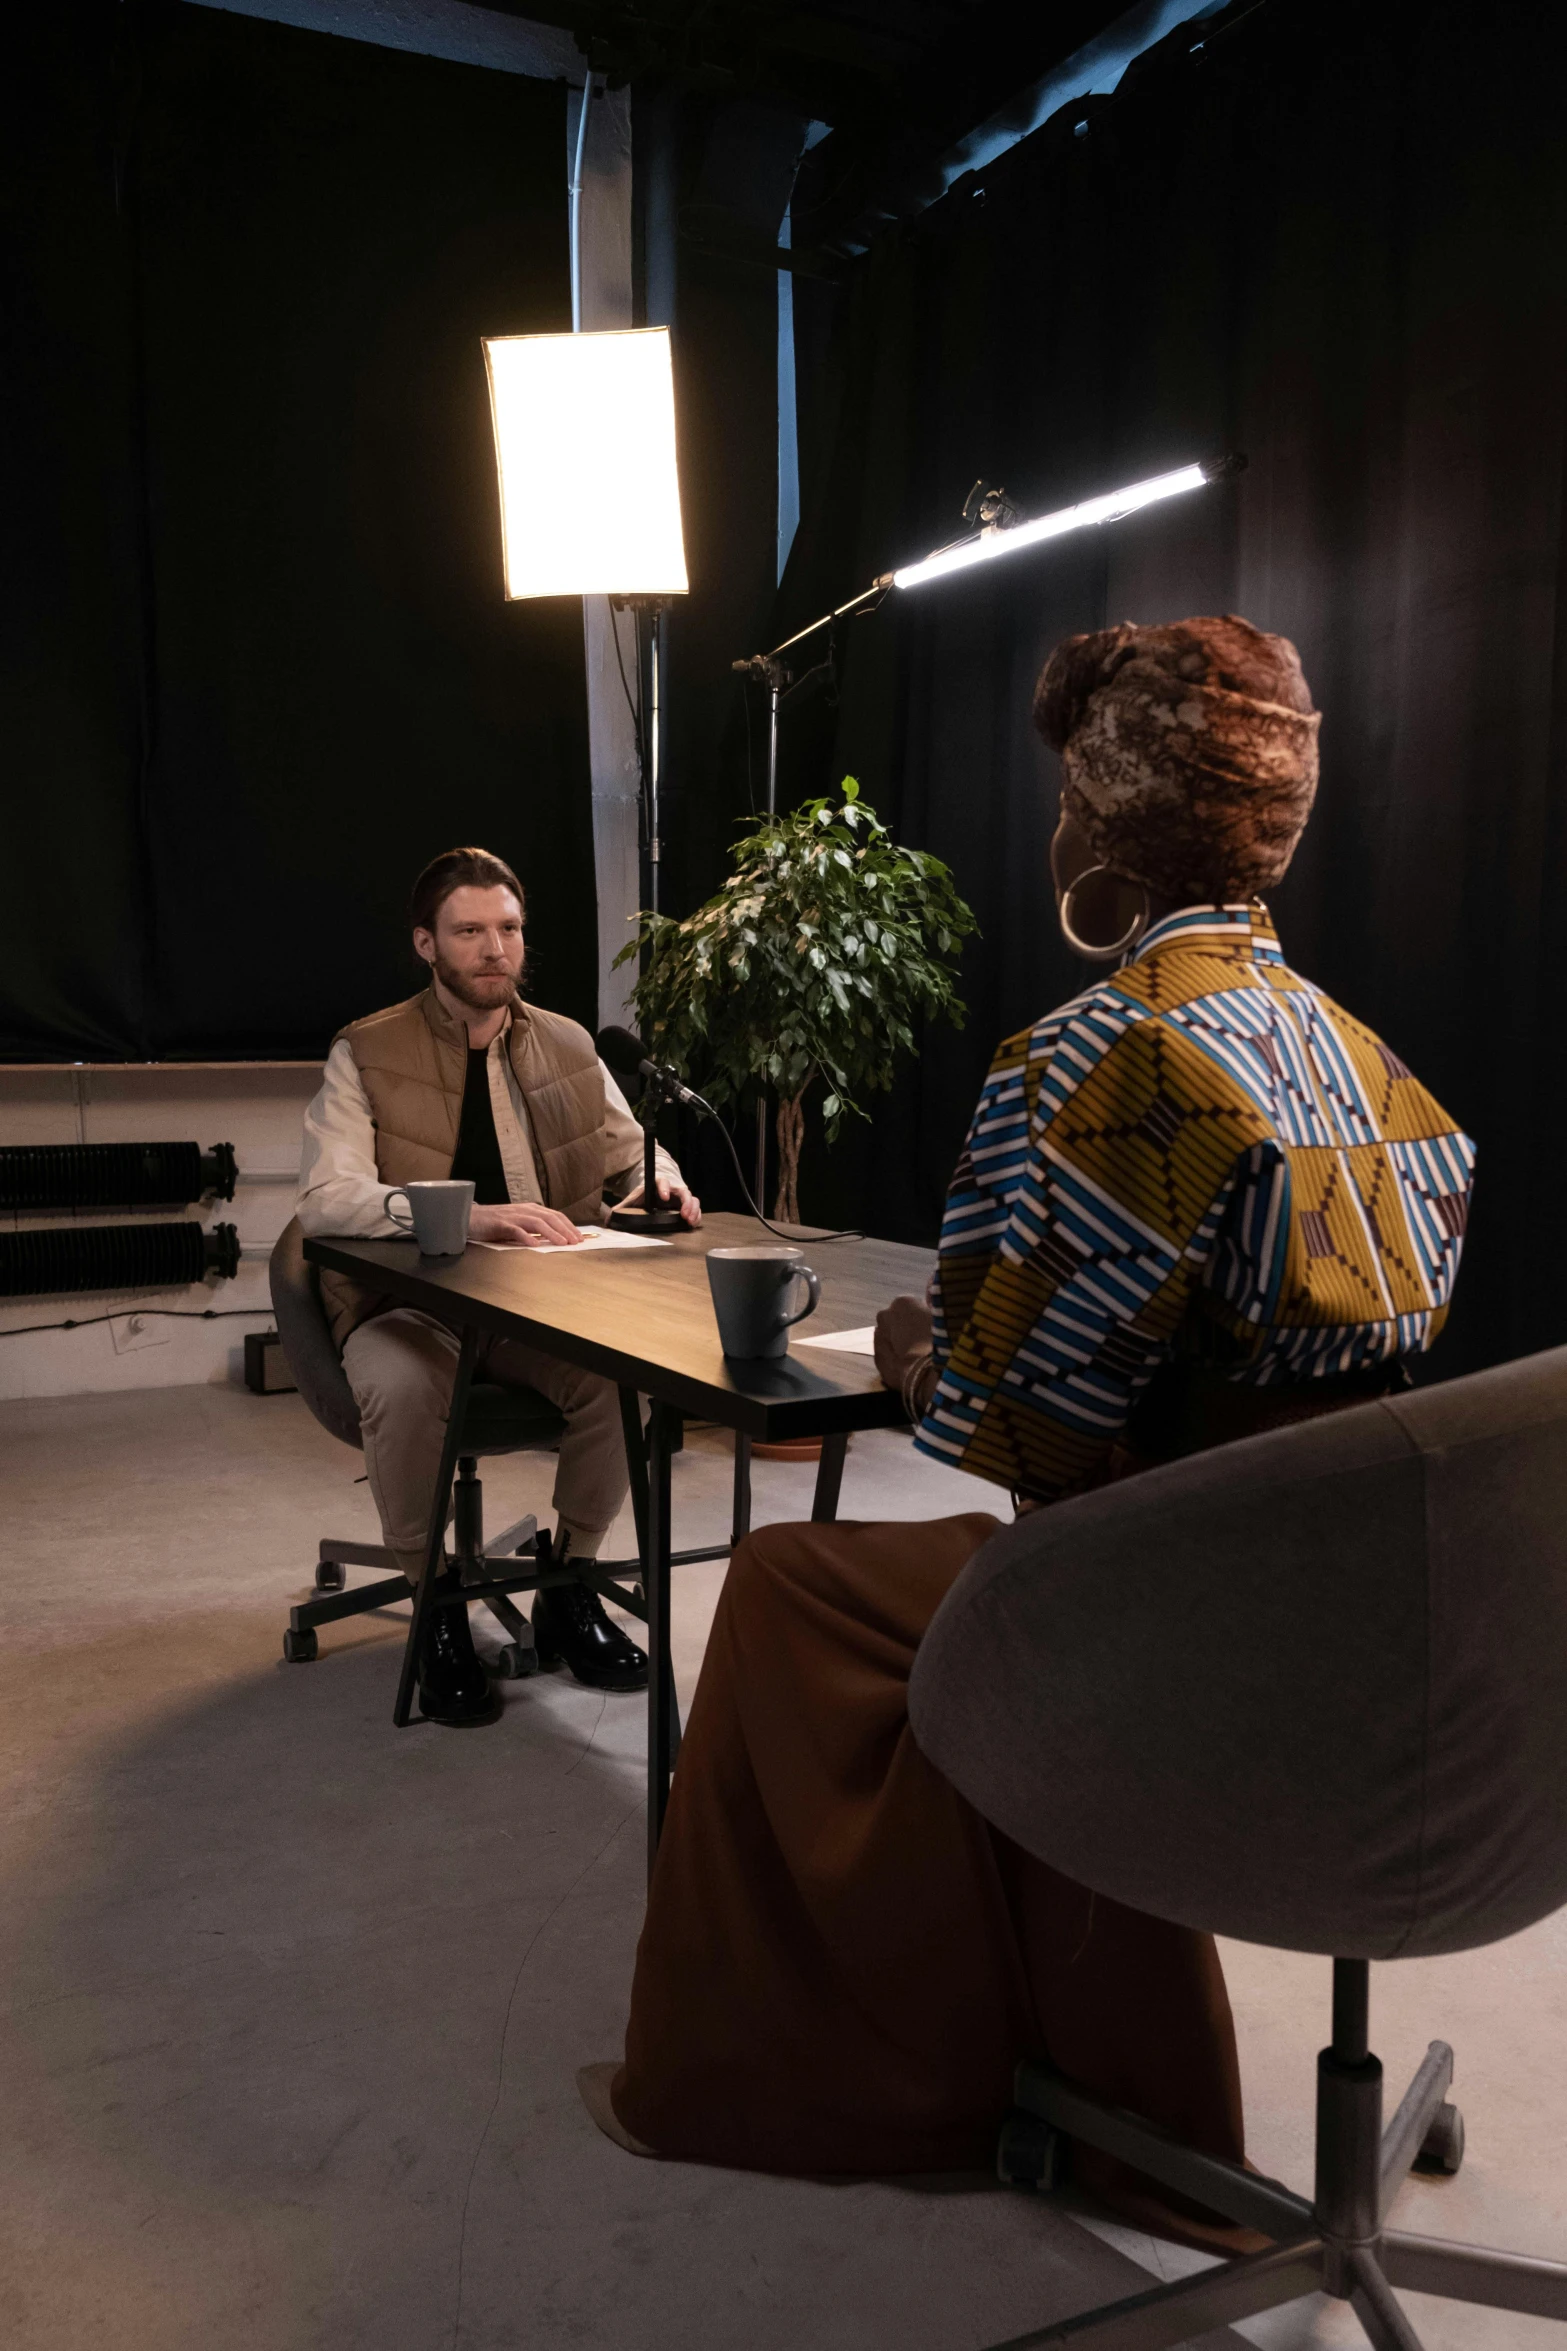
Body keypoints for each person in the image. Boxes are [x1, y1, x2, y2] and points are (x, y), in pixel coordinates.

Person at [577, 617, 1476, 2243]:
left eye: (1071, 788)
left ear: (1103, 821)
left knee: (791, 1587)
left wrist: (927, 1347)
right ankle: (1078, 2040)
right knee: (983, 1585)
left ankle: (819, 2072)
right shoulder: (1392, 1080)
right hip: (1388, 1656)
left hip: (1174, 1641)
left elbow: (1023, 1442)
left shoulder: (1094, 1060)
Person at [295, 845, 701, 1730]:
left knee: (624, 1373)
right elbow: (327, 1202)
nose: (493, 948)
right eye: (469, 931)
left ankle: (568, 1577)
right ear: (426, 944)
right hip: (407, 1305)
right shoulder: (365, 1048)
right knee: (402, 1388)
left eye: (508, 929)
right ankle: (434, 1596)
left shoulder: (566, 1043)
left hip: (539, 1303)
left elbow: (635, 1150)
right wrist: (466, 1216)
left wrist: (663, 1179)